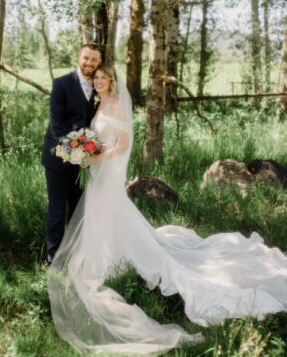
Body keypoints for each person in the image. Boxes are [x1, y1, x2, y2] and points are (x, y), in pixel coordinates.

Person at [49, 64, 287, 354]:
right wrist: (86, 151)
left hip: (107, 173)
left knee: (112, 212)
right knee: (106, 216)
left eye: (103, 78)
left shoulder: (118, 107)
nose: (98, 81)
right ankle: (110, 255)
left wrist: (95, 160)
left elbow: (123, 144)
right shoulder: (99, 104)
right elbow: (97, 138)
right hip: (98, 172)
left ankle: (116, 257)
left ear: (112, 82)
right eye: (96, 77)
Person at [41, 42, 100, 264]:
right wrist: (79, 149)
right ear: (79, 57)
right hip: (58, 157)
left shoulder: (99, 85)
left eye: (94, 60)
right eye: (86, 58)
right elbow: (58, 125)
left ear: (99, 62)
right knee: (57, 208)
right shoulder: (62, 84)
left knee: (78, 209)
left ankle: (75, 253)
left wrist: (88, 154)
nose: (89, 63)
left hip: (84, 161)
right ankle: (53, 257)